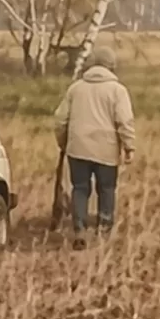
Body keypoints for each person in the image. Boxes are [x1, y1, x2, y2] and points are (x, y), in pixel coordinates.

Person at [53, 46, 136, 250]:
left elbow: (60, 119)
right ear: (111, 67)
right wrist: (129, 146)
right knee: (106, 189)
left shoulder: (76, 88)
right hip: (106, 151)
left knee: (80, 188)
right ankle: (104, 230)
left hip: (78, 149)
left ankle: (79, 229)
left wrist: (63, 142)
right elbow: (124, 121)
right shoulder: (118, 90)